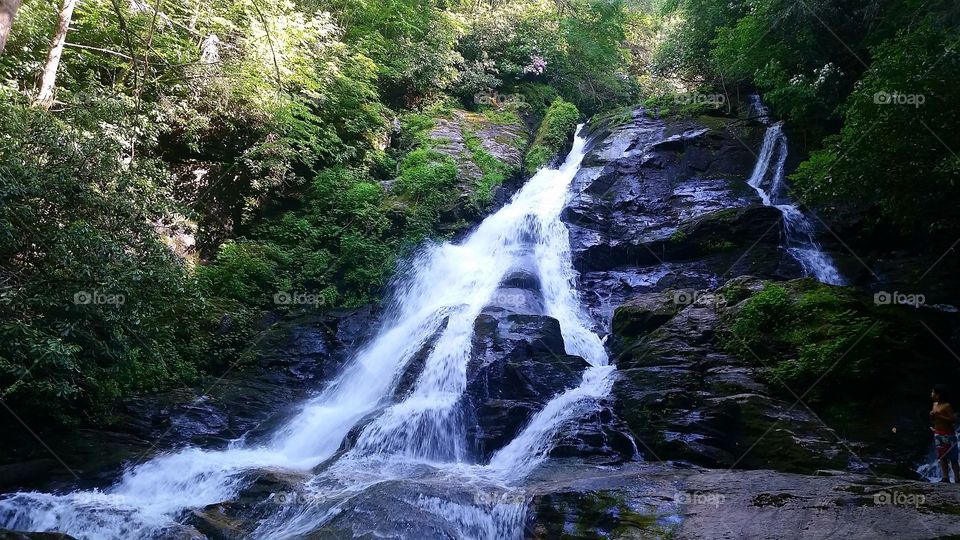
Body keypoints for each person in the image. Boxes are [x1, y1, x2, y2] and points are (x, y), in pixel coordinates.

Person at [930, 384, 960, 482]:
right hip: (938, 433)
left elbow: (952, 420)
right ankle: (945, 477)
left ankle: (957, 477)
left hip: (948, 434)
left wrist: (939, 416)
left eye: (933, 392)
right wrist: (932, 416)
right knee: (942, 456)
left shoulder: (947, 406)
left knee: (953, 457)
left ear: (939, 395)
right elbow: (934, 420)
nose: (931, 394)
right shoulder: (935, 405)